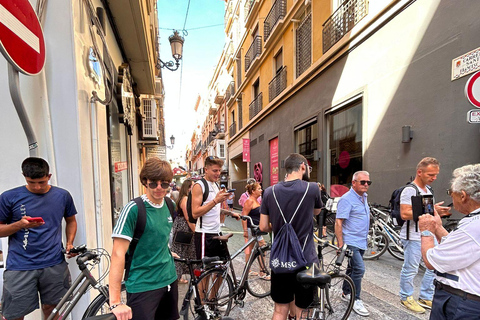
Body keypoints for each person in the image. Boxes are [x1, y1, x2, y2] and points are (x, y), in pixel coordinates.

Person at [0, 157, 78, 320]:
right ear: (24, 176)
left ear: (49, 176)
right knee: (14, 314)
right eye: (31, 182)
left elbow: (71, 221)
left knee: (54, 309)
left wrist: (70, 243)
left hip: (54, 264)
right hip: (20, 265)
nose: (37, 187)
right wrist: (19, 225)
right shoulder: (9, 197)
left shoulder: (63, 196)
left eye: (42, 182)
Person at [109, 158, 178, 320]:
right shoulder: (134, 209)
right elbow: (118, 254)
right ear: (145, 182)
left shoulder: (169, 205)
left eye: (165, 183)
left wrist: (166, 252)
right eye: (154, 183)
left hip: (169, 279)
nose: (159, 188)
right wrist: (115, 301)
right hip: (143, 284)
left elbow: (158, 236)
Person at [259, 153, 322, 320]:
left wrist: (281, 227)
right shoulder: (312, 188)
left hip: (281, 259)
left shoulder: (269, 192)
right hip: (306, 259)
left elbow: (263, 226)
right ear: (302, 166)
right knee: (303, 310)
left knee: (280, 309)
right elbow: (316, 211)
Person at [418, 164, 480, 320]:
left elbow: (431, 261)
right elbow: (458, 247)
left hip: (461, 304)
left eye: (450, 192)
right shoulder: (474, 221)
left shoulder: (473, 226)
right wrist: (438, 227)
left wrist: (426, 231)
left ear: (463, 195)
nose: (450, 196)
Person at [399, 157, 451, 313]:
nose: (434, 178)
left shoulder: (429, 190)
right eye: (430, 175)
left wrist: (436, 212)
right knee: (411, 268)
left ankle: (425, 296)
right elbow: (404, 213)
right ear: (419, 172)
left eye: (436, 175)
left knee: (433, 266)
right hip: (413, 236)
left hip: (428, 234)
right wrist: (430, 209)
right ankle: (406, 297)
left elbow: (426, 211)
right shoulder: (410, 190)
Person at [335, 171, 371, 317]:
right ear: (354, 183)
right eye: (363, 182)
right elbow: (339, 222)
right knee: (359, 269)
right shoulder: (347, 199)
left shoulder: (364, 197)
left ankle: (346, 292)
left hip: (361, 240)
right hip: (351, 241)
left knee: (352, 268)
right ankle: (355, 299)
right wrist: (340, 244)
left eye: (369, 182)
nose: (366, 185)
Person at [191, 156, 240, 260]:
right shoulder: (199, 186)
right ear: (206, 170)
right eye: (214, 170)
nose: (218, 173)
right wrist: (215, 201)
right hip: (205, 233)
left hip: (217, 231)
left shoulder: (216, 185)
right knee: (206, 271)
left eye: (219, 170)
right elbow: (195, 213)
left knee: (223, 266)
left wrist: (231, 213)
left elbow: (215, 209)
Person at [171, 179, 196, 284]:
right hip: (184, 228)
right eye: (193, 187)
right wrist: (195, 231)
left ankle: (181, 275)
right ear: (188, 187)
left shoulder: (186, 198)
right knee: (179, 252)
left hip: (183, 228)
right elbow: (188, 218)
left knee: (184, 252)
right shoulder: (185, 199)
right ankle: (177, 276)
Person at [241, 182, 266, 266]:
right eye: (259, 189)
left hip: (255, 228)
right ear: (253, 191)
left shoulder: (256, 200)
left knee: (250, 250)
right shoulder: (249, 201)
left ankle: (248, 270)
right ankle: (262, 271)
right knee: (262, 247)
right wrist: (245, 231)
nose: (261, 190)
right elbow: (244, 217)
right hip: (251, 229)